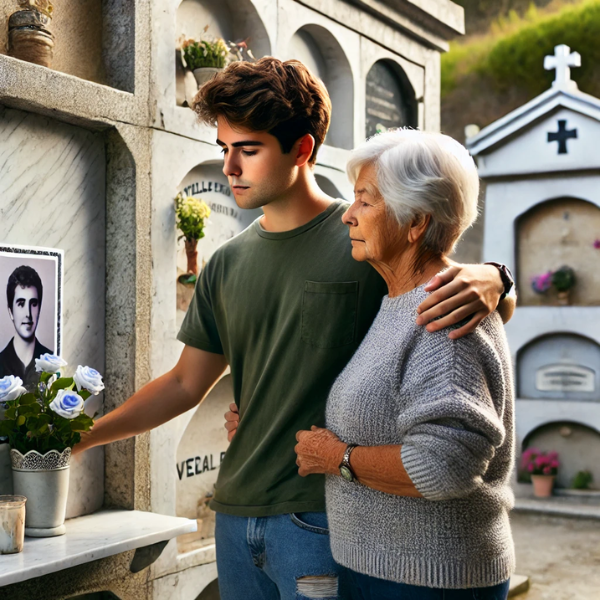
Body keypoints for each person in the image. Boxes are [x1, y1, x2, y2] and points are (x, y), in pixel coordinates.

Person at [73, 58, 514, 600]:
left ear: (301, 150)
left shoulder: (365, 240)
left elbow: (445, 304)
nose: (231, 167)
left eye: (249, 149)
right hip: (234, 511)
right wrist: (82, 438)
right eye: (224, 149)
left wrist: (497, 278)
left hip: (329, 520)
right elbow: (186, 384)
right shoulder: (226, 263)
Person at [294, 129, 515, 600]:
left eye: (365, 201)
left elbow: (443, 466)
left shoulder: (441, 318)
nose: (348, 216)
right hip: (389, 570)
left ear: (415, 221)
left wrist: (338, 458)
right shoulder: (403, 301)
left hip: (428, 578)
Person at [0, 265, 52, 388]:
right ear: (10, 312)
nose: (28, 314)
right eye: (21, 304)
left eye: (33, 303)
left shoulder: (53, 361)